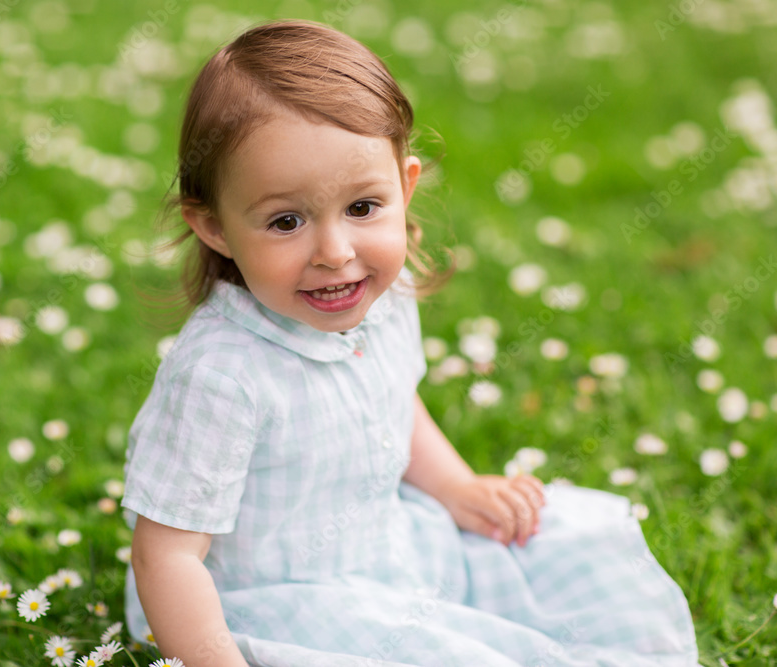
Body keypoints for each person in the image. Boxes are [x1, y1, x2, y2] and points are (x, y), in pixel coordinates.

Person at [120, 18, 698, 667]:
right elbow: (166, 553)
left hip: (387, 551)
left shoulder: (384, 303)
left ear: (406, 185)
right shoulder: (223, 375)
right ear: (215, 227)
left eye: (363, 207)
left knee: (560, 567)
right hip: (263, 599)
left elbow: (395, 403)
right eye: (286, 220)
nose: (335, 254)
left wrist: (454, 487)